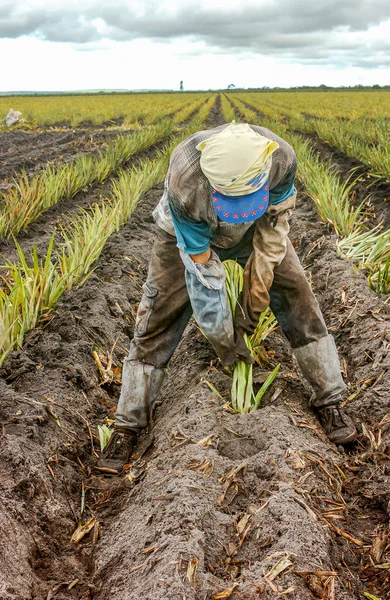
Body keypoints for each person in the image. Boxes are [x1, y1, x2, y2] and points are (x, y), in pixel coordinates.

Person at [98, 122, 357, 473]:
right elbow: (204, 276)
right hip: (187, 235)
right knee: (157, 316)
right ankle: (128, 424)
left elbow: (275, 229)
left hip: (258, 227)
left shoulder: (280, 158)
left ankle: (330, 399)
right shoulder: (185, 181)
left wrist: (257, 288)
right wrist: (225, 339)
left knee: (298, 293)